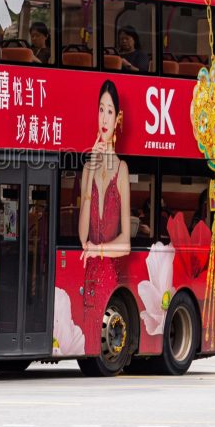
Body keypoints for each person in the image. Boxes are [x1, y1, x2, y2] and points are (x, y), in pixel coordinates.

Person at [78, 80, 131, 349]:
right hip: (87, 277)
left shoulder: (122, 170)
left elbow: (126, 243)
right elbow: (81, 233)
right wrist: (90, 169)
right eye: (101, 109)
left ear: (117, 118)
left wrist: (98, 250)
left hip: (108, 277)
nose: (104, 118)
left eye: (110, 111)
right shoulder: (88, 166)